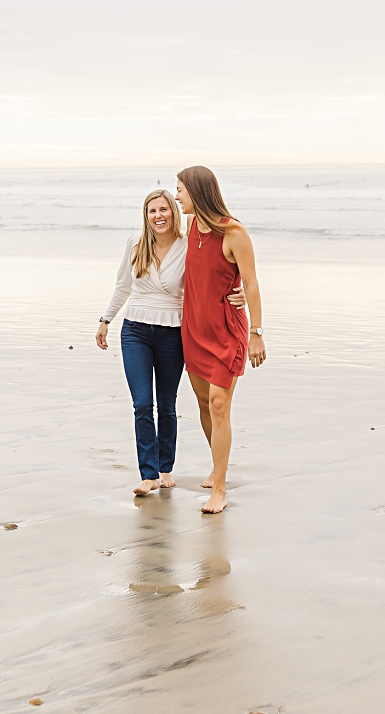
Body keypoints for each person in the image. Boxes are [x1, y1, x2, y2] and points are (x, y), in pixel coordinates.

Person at [97, 189, 245, 497]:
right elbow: (123, 285)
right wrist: (106, 319)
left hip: (173, 332)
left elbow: (213, 273)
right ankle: (148, 475)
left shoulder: (187, 244)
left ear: (173, 213)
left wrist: (238, 291)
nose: (159, 215)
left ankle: (165, 470)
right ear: (145, 215)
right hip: (135, 330)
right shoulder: (134, 243)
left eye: (164, 209)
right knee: (142, 404)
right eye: (152, 211)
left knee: (166, 405)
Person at [176, 166, 265, 514]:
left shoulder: (234, 232)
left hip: (227, 330)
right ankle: (217, 464)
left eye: (181, 189)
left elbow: (252, 283)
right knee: (202, 401)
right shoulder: (191, 224)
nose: (177, 195)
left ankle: (221, 489)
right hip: (194, 329)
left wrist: (256, 333)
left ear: (197, 191)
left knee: (218, 404)